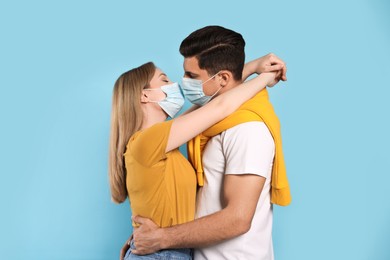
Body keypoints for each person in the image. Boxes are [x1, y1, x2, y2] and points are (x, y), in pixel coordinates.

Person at [121, 26, 291, 260]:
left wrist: (160, 238)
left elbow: (238, 219)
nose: (181, 83)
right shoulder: (174, 134)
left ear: (221, 78)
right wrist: (147, 242)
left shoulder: (247, 130)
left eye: (191, 76)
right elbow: (216, 106)